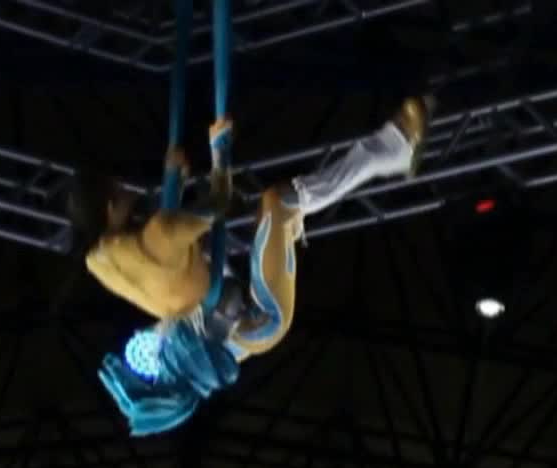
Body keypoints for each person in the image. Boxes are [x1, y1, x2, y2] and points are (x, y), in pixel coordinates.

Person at [69, 96, 435, 435]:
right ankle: (393, 150)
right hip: (258, 318)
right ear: (109, 208)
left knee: (250, 224)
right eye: (121, 190)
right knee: (277, 202)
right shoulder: (156, 235)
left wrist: (175, 183)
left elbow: (168, 254)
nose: (130, 191)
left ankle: (360, 171)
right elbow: (221, 202)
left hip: (215, 309)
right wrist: (219, 150)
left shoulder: (97, 261)